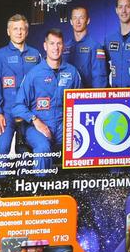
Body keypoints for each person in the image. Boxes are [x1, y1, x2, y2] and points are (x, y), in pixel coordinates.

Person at [13, 28, 82, 173]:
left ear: (63, 46)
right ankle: (42, 193)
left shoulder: (72, 73)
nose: (55, 48)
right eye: (52, 43)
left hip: (64, 127)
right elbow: (18, 106)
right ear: (45, 46)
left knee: (81, 145)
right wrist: (35, 120)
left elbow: (81, 103)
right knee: (43, 149)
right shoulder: (34, 74)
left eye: (59, 44)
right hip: (38, 126)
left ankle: (74, 191)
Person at [0, 14, 42, 161]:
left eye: (22, 29)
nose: (19, 32)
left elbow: (42, 84)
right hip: (7, 113)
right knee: (3, 151)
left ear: (27, 32)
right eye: (15, 29)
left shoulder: (35, 55)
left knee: (25, 153)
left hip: (29, 113)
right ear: (8, 31)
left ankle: (24, 183)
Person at [61, 5, 106, 88]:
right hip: (68, 95)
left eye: (81, 18)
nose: (78, 21)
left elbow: (99, 77)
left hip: (86, 95)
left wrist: (97, 98)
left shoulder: (95, 47)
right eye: (75, 18)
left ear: (88, 20)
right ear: (71, 21)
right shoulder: (65, 47)